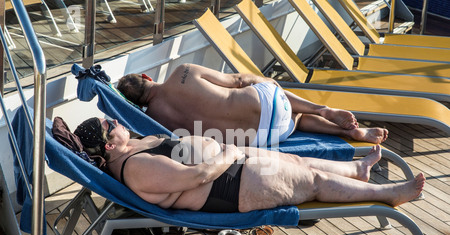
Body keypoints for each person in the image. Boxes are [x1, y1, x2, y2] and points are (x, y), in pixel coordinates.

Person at [74, 117, 424, 213]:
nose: (113, 120)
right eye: (108, 124)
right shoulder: (136, 169)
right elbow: (197, 175)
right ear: (109, 145)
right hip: (230, 185)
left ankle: (358, 171)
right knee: (312, 180)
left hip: (234, 167)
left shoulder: (129, 144)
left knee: (295, 159)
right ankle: (387, 193)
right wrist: (226, 154)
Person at [117, 64, 388, 147]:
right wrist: (265, 81)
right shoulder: (182, 72)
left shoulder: (153, 121)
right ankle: (322, 109)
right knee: (271, 94)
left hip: (263, 137)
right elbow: (236, 80)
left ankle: (344, 132)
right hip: (270, 102)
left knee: (294, 120)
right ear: (147, 78)